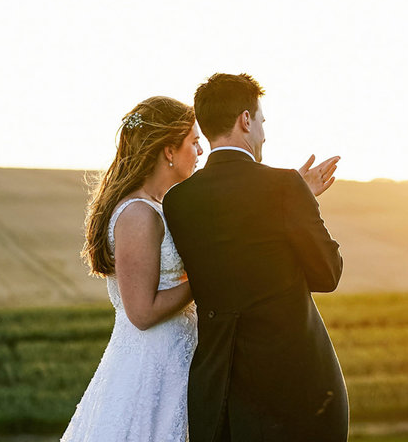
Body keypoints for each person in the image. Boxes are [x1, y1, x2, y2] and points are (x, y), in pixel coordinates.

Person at [62, 95, 338, 441]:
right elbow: (142, 313)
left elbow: (235, 232)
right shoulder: (138, 215)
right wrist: (208, 277)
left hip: (182, 357)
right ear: (169, 152)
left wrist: (292, 195)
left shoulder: (167, 207)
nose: (200, 152)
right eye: (194, 143)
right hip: (152, 369)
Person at [163, 73, 349, 442]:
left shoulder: (178, 200)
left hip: (220, 389)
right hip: (295, 387)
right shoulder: (284, 187)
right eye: (262, 122)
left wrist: (292, 196)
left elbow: (231, 250)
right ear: (245, 120)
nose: (264, 133)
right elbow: (328, 274)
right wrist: (302, 200)